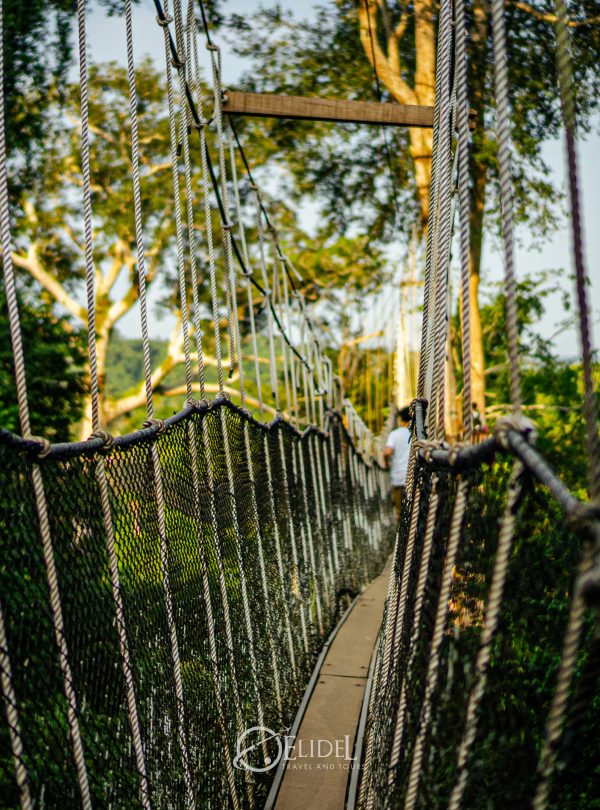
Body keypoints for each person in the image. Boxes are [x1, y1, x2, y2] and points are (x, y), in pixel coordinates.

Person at [384, 406, 411, 518]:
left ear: (399, 419)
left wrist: (387, 464)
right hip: (413, 477)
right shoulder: (415, 434)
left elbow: (387, 453)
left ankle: (403, 535)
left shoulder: (394, 434)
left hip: (398, 478)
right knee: (413, 510)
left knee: (400, 513)